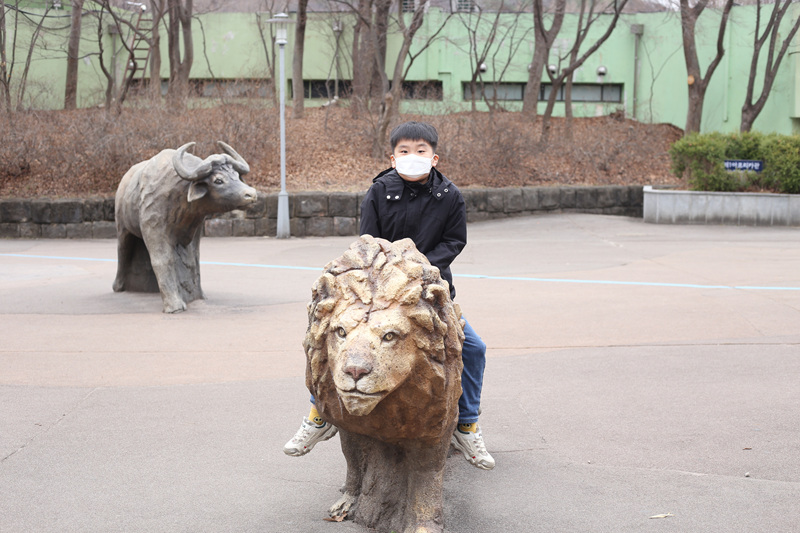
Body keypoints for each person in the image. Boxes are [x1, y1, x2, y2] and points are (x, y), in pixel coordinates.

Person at [283, 121, 495, 470]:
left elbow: (454, 241)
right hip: (374, 296)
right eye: (404, 151)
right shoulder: (380, 192)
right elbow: (367, 242)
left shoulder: (450, 196)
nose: (413, 156)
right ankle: (319, 415)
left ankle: (467, 424)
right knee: (331, 339)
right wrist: (388, 272)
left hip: (427, 292)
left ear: (434, 157)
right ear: (392, 158)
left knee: (473, 348)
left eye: (421, 151)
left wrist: (421, 268)